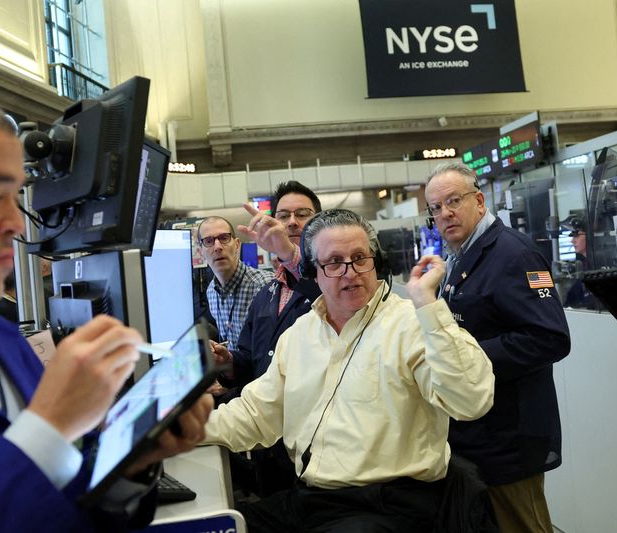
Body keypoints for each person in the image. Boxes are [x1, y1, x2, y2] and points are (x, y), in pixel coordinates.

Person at [0, 92, 213, 532]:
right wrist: (49, 426)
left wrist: (134, 463)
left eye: (15, 197)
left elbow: (67, 501)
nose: (17, 224)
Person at [202, 209, 495, 532]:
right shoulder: (299, 335)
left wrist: (428, 304)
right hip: (313, 500)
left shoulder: (411, 324)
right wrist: (180, 433)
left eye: (359, 258)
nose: (350, 272)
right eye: (334, 262)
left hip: (389, 505)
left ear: (376, 263)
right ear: (314, 273)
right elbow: (256, 415)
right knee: (213, 525)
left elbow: (471, 400)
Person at [425, 162, 571, 533]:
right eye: (436, 208)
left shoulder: (513, 255)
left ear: (479, 199)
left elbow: (549, 336)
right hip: (476, 436)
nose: (445, 213)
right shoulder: (460, 257)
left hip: (510, 438)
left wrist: (465, 359)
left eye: (453, 201)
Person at [212, 181, 322, 496]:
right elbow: (249, 362)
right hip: (267, 443)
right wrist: (228, 361)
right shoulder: (267, 293)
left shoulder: (335, 286)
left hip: (311, 444)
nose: (291, 222)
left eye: (303, 214)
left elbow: (323, 293)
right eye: (283, 215)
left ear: (320, 223)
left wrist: (289, 254)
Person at [198, 216, 273, 352]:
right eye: (208, 241)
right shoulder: (211, 292)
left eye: (224, 238)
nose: (218, 247)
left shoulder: (265, 286)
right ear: (201, 252)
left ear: (237, 245)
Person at [562, 216, 599, 309]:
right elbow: (570, 300)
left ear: (590, 235)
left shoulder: (598, 265)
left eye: (577, 236)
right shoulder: (583, 266)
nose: (572, 241)